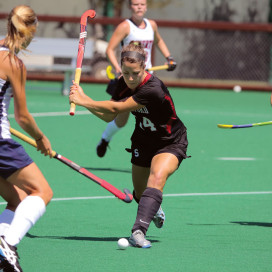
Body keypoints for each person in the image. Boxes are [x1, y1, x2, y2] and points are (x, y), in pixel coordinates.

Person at [69, 42, 189, 248]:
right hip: (142, 141)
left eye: (135, 73)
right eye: (126, 73)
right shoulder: (122, 84)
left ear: (144, 68)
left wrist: (84, 99)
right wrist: (83, 102)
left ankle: (138, 232)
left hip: (169, 141)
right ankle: (153, 207)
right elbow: (109, 116)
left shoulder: (153, 88)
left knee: (157, 177)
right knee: (140, 193)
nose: (131, 78)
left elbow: (118, 106)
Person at [0, 5, 53, 271]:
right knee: (42, 191)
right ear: (29, 29)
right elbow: (23, 117)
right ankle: (8, 244)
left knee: (17, 198)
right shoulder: (14, 63)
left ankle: (2, 249)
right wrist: (41, 138)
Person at [96, 0, 176, 158]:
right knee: (121, 121)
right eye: (135, 4)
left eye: (142, 4)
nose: (139, 7)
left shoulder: (152, 25)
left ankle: (153, 154)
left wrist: (169, 57)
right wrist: (119, 69)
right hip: (129, 81)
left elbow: (158, 41)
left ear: (146, 7)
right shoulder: (125, 26)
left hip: (147, 80)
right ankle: (105, 138)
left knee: (154, 117)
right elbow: (110, 50)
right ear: (130, 7)